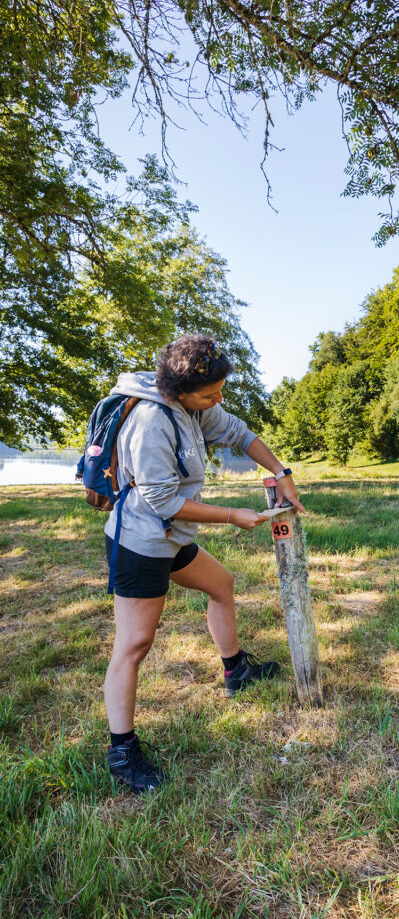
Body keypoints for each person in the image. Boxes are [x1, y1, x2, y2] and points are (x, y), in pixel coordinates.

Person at [103, 333, 305, 793]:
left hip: (172, 539)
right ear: (180, 392)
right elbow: (162, 501)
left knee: (221, 583)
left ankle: (237, 672)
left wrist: (281, 473)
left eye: (219, 391)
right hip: (141, 543)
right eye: (210, 394)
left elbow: (239, 434)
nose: (219, 400)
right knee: (134, 644)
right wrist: (232, 515)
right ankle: (122, 753)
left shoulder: (196, 407)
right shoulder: (152, 421)